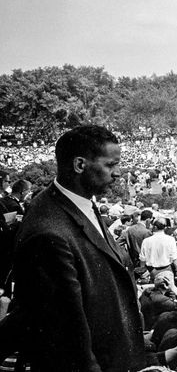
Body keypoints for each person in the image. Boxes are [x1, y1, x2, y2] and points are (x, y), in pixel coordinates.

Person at [9, 125, 146, 371]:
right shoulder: (49, 232)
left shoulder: (79, 202)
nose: (117, 174)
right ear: (80, 165)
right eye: (110, 165)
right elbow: (68, 336)